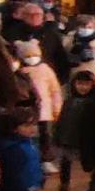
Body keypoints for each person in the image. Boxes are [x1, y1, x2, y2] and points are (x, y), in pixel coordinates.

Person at [14, 40, 61, 174]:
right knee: (30, 137)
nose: (31, 58)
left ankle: (46, 160)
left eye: (34, 55)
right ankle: (32, 160)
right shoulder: (19, 72)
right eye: (27, 56)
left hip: (45, 111)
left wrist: (56, 107)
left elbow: (55, 90)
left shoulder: (46, 70)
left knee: (46, 136)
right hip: (28, 111)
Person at [54, 71, 95, 191]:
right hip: (69, 139)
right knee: (66, 164)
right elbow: (62, 120)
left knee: (93, 165)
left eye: (86, 84)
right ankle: (64, 189)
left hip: (88, 140)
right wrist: (58, 137)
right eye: (79, 84)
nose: (82, 87)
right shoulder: (69, 101)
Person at [2, 2, 71, 81]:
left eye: (37, 14)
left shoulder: (50, 34)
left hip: (47, 77)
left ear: (42, 17)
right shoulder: (13, 33)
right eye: (30, 14)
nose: (34, 17)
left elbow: (60, 57)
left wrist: (61, 79)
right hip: (21, 79)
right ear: (23, 16)